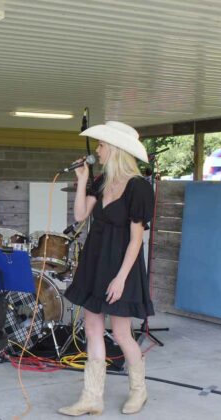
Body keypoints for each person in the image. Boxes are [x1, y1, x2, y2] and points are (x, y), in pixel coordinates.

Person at [59, 121, 154, 416]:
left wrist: (121, 278)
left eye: (101, 145)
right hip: (95, 261)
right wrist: (83, 179)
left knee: (122, 333)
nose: (97, 150)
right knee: (92, 328)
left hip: (121, 265)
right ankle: (91, 397)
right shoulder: (100, 181)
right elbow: (79, 215)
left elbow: (137, 240)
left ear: (114, 148)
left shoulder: (138, 187)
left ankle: (139, 391)